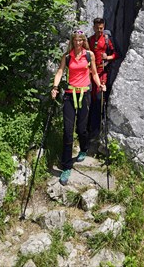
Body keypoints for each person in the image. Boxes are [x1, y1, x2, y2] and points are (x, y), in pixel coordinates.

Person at [51, 30, 105, 186]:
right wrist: (55, 87)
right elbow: (60, 71)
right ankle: (67, 166)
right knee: (68, 131)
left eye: (80, 40)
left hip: (85, 94)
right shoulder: (67, 57)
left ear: (83, 41)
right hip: (69, 94)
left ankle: (84, 148)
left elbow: (94, 73)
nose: (78, 43)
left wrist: (99, 84)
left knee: (81, 129)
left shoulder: (89, 55)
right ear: (72, 41)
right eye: (75, 40)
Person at [87, 18, 118, 144]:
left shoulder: (107, 39)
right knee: (91, 100)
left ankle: (98, 129)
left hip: (103, 74)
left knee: (100, 100)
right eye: (97, 28)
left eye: (101, 28)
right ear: (94, 27)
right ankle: (90, 130)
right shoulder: (90, 40)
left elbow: (117, 54)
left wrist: (108, 57)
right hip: (91, 75)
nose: (100, 31)